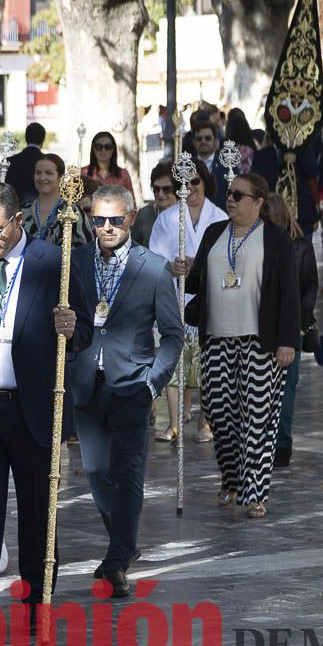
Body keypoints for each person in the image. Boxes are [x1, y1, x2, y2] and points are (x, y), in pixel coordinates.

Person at [0, 183, 91, 642]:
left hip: (33, 406)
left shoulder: (52, 262)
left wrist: (73, 327)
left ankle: (35, 606)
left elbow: (81, 328)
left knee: (36, 511)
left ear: (17, 220)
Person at [68, 185, 182, 596]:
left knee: (129, 471)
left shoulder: (153, 268)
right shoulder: (75, 261)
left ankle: (117, 559)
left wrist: (154, 382)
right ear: (89, 220)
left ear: (132, 218)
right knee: (97, 471)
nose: (108, 227)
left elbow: (172, 335)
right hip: (86, 382)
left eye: (116, 219)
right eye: (99, 220)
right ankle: (122, 545)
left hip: (133, 383)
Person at [186, 174, 299, 519]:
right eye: (228, 193)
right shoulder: (214, 233)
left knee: (257, 418)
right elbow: (196, 281)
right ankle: (233, 479)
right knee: (220, 414)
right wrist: (183, 268)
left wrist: (287, 341)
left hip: (260, 340)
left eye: (238, 194)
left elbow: (289, 294)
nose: (230, 199)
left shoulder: (276, 239)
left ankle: (255, 492)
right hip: (218, 337)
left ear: (258, 202)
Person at [148, 158, 227, 443]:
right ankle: (174, 421)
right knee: (174, 357)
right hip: (175, 295)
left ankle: (205, 422)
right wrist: (172, 266)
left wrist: (201, 266)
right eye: (185, 182)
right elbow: (154, 256)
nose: (190, 188)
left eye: (195, 182)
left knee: (206, 360)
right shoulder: (167, 218)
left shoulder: (219, 217)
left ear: (205, 183)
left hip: (207, 297)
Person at [264, 193, 317, 469]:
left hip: (290, 329)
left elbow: (310, 287)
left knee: (286, 389)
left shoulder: (301, 247)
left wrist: (298, 320)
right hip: (261, 327)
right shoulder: (256, 245)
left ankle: (282, 443)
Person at [21, 153, 89, 247]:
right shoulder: (22, 211)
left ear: (61, 177)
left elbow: (85, 250)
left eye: (48, 173)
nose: (42, 177)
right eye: (38, 173)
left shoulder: (73, 211)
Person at [132, 161, 175, 248]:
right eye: (156, 189)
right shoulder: (144, 214)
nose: (160, 194)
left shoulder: (187, 214)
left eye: (167, 189)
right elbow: (134, 249)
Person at [4, 122, 47, 205]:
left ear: (26, 138)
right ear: (43, 139)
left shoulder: (11, 161)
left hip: (16, 209)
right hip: (41, 209)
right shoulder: (47, 162)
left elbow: (8, 189)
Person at [189, 122, 230, 208]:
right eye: (199, 139)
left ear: (215, 141)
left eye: (207, 138)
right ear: (194, 142)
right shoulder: (186, 165)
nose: (203, 141)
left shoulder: (227, 164)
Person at [85, 131, 135, 198]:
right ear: (93, 149)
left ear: (113, 149)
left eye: (108, 147)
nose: (103, 150)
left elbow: (131, 203)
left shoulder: (123, 174)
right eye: (99, 147)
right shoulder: (83, 173)